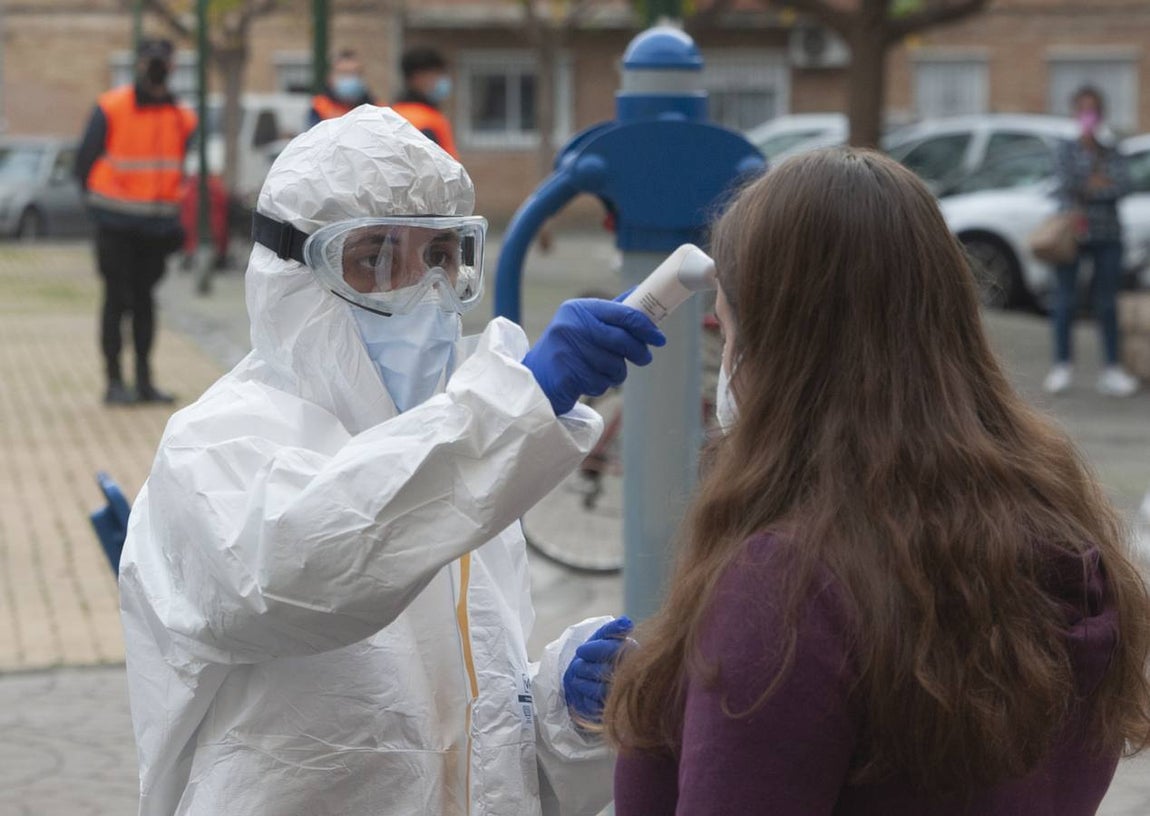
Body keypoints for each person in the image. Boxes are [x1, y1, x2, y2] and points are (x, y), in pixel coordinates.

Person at [118, 106, 665, 816]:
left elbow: (470, 757)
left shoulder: (461, 457)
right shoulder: (218, 447)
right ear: (294, 278)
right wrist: (509, 411)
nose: (421, 291)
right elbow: (307, 570)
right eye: (374, 259)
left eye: (439, 257)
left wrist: (564, 713)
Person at [605, 148, 1150, 814]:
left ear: (782, 346)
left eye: (732, 326)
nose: (729, 362)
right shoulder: (1062, 533)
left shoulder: (788, 588)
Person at [74, 38, 198, 405]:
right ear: (139, 64)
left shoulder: (182, 117)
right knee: (116, 302)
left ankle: (144, 382)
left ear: (173, 65)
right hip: (116, 226)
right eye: (150, 60)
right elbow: (84, 163)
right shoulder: (112, 107)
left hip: (156, 230)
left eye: (162, 60)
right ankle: (114, 382)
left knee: (145, 304)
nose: (156, 67)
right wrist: (99, 209)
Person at [1045, 86, 1139, 397]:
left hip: (1107, 234)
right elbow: (1068, 183)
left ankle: (1112, 368)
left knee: (1107, 302)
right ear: (1075, 112)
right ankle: (1062, 366)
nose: (1088, 114)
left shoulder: (1112, 148)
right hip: (1073, 233)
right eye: (1083, 108)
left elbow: (1123, 185)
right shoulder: (1066, 147)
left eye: (1093, 109)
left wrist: (1093, 186)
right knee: (1065, 300)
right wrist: (1097, 184)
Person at [392, 45, 459, 159]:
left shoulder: (394, 112)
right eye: (436, 74)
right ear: (418, 77)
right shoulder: (424, 121)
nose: (442, 81)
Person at [307, 48, 376, 127]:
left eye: (354, 73)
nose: (349, 78)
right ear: (330, 77)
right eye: (344, 73)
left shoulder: (376, 109)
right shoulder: (320, 107)